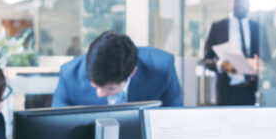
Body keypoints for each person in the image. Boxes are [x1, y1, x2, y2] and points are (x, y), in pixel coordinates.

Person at [52, 31, 182, 107]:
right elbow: (55, 128)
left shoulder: (162, 69)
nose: (100, 93)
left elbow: (174, 122)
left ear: (132, 72)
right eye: (94, 84)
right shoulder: (69, 75)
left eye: (110, 88)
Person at [203, 0, 260, 105]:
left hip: (251, 90)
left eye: (244, 1)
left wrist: (259, 64)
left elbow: (266, 58)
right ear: (231, 3)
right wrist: (220, 65)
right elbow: (205, 60)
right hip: (226, 91)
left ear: (249, 4)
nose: (240, 4)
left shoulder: (257, 28)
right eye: (237, 0)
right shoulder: (217, 27)